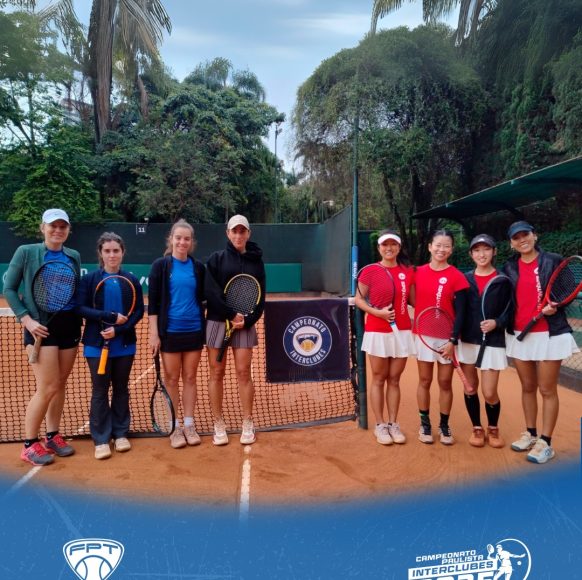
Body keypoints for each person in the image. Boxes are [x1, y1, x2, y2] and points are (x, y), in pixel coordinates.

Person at [3, 208, 81, 465]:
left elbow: (74, 291)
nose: (58, 230)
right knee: (47, 386)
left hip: (69, 325)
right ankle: (29, 444)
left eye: (62, 226)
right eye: (53, 226)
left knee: (60, 383)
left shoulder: (73, 256)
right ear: (43, 228)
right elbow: (9, 288)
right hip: (39, 326)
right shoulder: (26, 252)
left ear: (68, 230)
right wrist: (26, 319)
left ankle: (52, 435)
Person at [502, 220, 578, 464]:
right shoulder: (509, 267)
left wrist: (556, 305)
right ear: (511, 243)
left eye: (525, 235)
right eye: (516, 237)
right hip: (519, 333)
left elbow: (568, 289)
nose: (522, 240)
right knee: (527, 387)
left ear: (534, 236)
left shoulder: (553, 260)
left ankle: (546, 442)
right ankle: (531, 434)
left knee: (546, 389)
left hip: (549, 334)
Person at [76, 233, 144, 460]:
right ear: (100, 253)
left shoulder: (131, 280)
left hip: (124, 345)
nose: (112, 255)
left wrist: (119, 330)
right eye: (107, 251)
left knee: (121, 389)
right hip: (96, 346)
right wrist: (110, 317)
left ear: (122, 252)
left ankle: (121, 433)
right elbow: (80, 308)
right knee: (100, 390)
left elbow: (138, 312)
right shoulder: (90, 280)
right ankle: (101, 439)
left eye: (116, 250)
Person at [205, 215, 266, 446]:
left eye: (242, 231)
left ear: (248, 233)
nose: (238, 235)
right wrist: (231, 314)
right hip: (217, 321)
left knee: (243, 372)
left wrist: (248, 320)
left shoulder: (257, 262)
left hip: (244, 324)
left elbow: (260, 297)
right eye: (234, 231)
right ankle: (218, 423)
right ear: (227, 233)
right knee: (216, 372)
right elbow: (210, 292)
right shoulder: (216, 259)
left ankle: (248, 422)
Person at [148, 220, 206, 449]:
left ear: (192, 242)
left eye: (186, 239)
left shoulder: (198, 267)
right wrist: (154, 334)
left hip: (194, 331)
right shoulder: (160, 266)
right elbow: (153, 304)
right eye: (178, 238)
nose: (182, 242)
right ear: (171, 239)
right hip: (170, 333)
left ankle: (189, 425)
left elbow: (205, 297)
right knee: (171, 379)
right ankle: (174, 427)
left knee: (190, 378)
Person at [355, 229, 415, 445]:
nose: (389, 248)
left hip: (402, 331)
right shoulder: (370, 271)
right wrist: (377, 313)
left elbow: (415, 300)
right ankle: (380, 425)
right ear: (379, 247)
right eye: (385, 245)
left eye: (393, 244)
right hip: (377, 331)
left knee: (395, 379)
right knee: (379, 378)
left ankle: (393, 423)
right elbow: (359, 299)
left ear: (399, 247)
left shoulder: (408, 271)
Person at [413, 229, 469, 445]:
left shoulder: (457, 276)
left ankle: (444, 425)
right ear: (430, 247)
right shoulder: (417, 272)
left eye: (446, 246)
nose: (441, 249)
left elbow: (461, 312)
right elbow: (409, 297)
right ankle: (424, 424)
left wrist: (453, 340)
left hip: (448, 339)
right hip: (424, 336)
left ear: (452, 250)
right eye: (438, 245)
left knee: (445, 382)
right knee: (424, 380)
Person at [458, 234, 509, 449]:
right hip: (467, 340)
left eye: (486, 249)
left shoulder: (504, 280)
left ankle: (493, 428)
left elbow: (511, 310)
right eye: (477, 250)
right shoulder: (464, 279)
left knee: (489, 392)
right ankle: (477, 427)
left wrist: (497, 322)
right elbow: (458, 310)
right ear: (471, 254)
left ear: (494, 251)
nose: (482, 254)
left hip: (493, 341)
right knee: (470, 388)